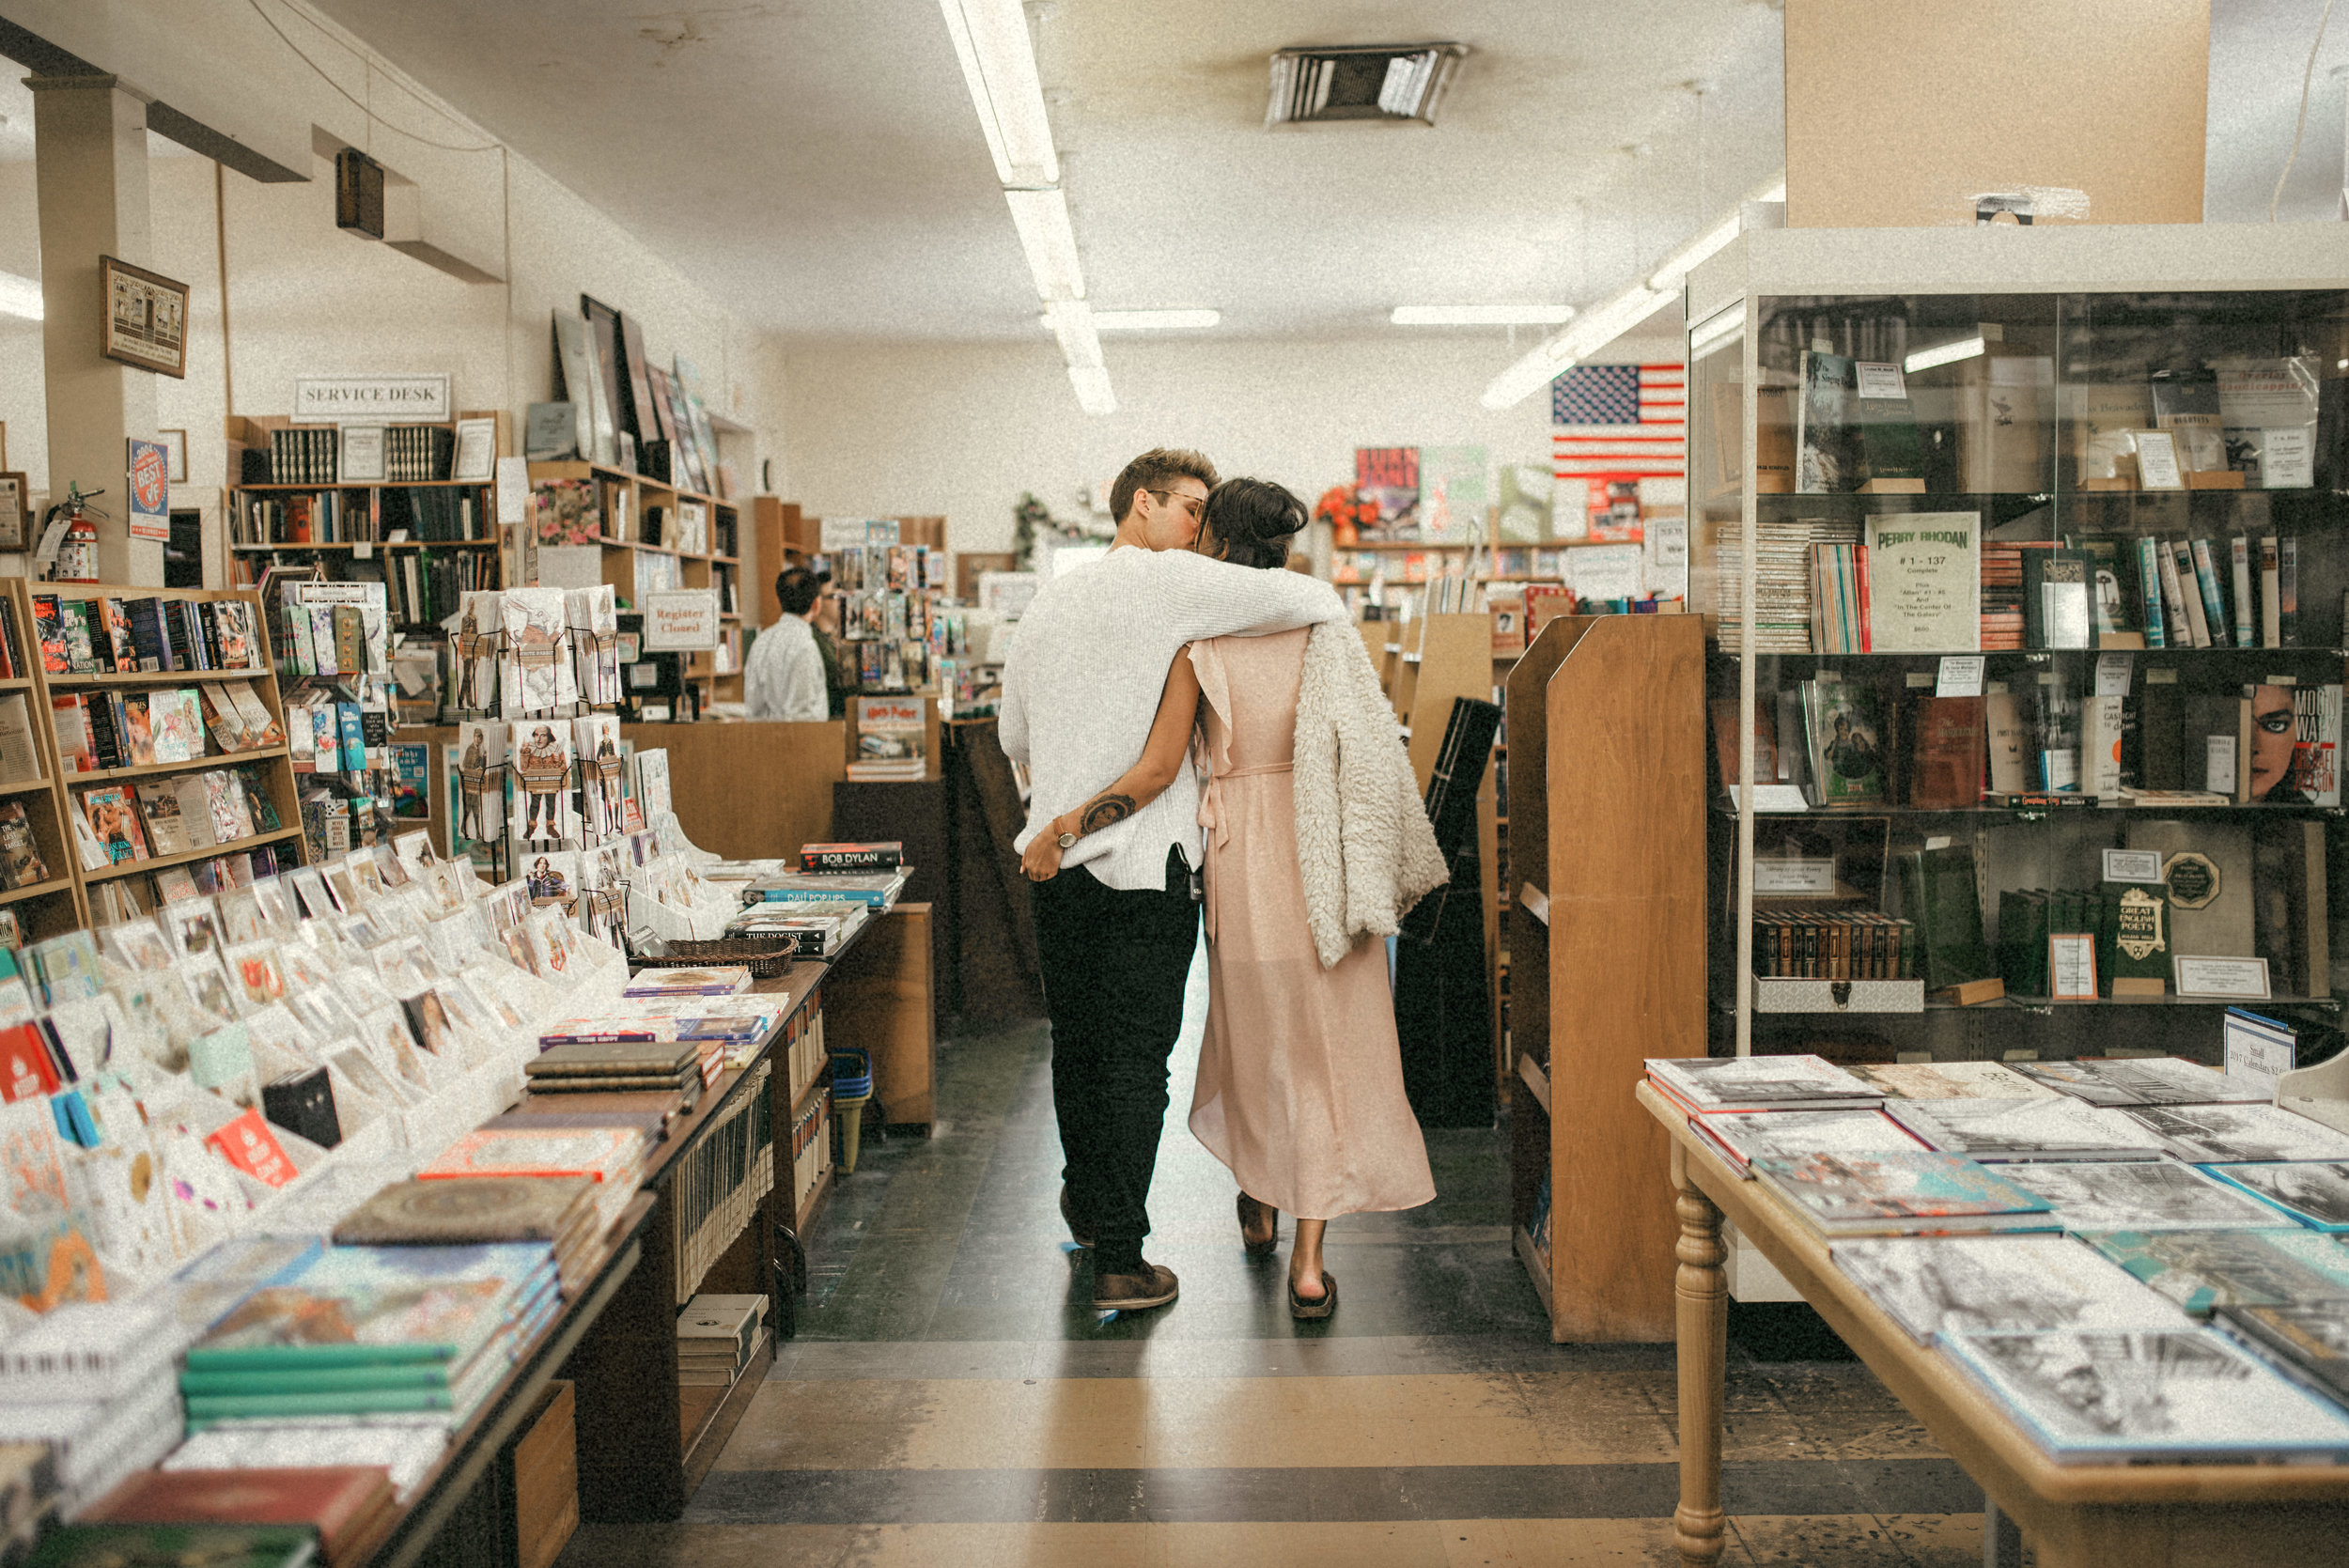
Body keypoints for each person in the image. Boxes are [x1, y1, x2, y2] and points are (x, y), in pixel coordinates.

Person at [1019, 478, 1444, 1318]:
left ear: (1217, 543)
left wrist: (1063, 827)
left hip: (1236, 862)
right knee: (1326, 1047)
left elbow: (1154, 766)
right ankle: (1310, 1262)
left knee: (1251, 1043)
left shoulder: (1198, 644)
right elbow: (1367, 750)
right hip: (1324, 858)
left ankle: (1244, 1201)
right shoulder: (1326, 629)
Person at [743, 567, 830, 721]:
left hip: (763, 737)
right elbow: (803, 714)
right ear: (817, 604)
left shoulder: (761, 641)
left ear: (778, 601)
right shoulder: (805, 645)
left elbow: (753, 705)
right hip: (803, 740)